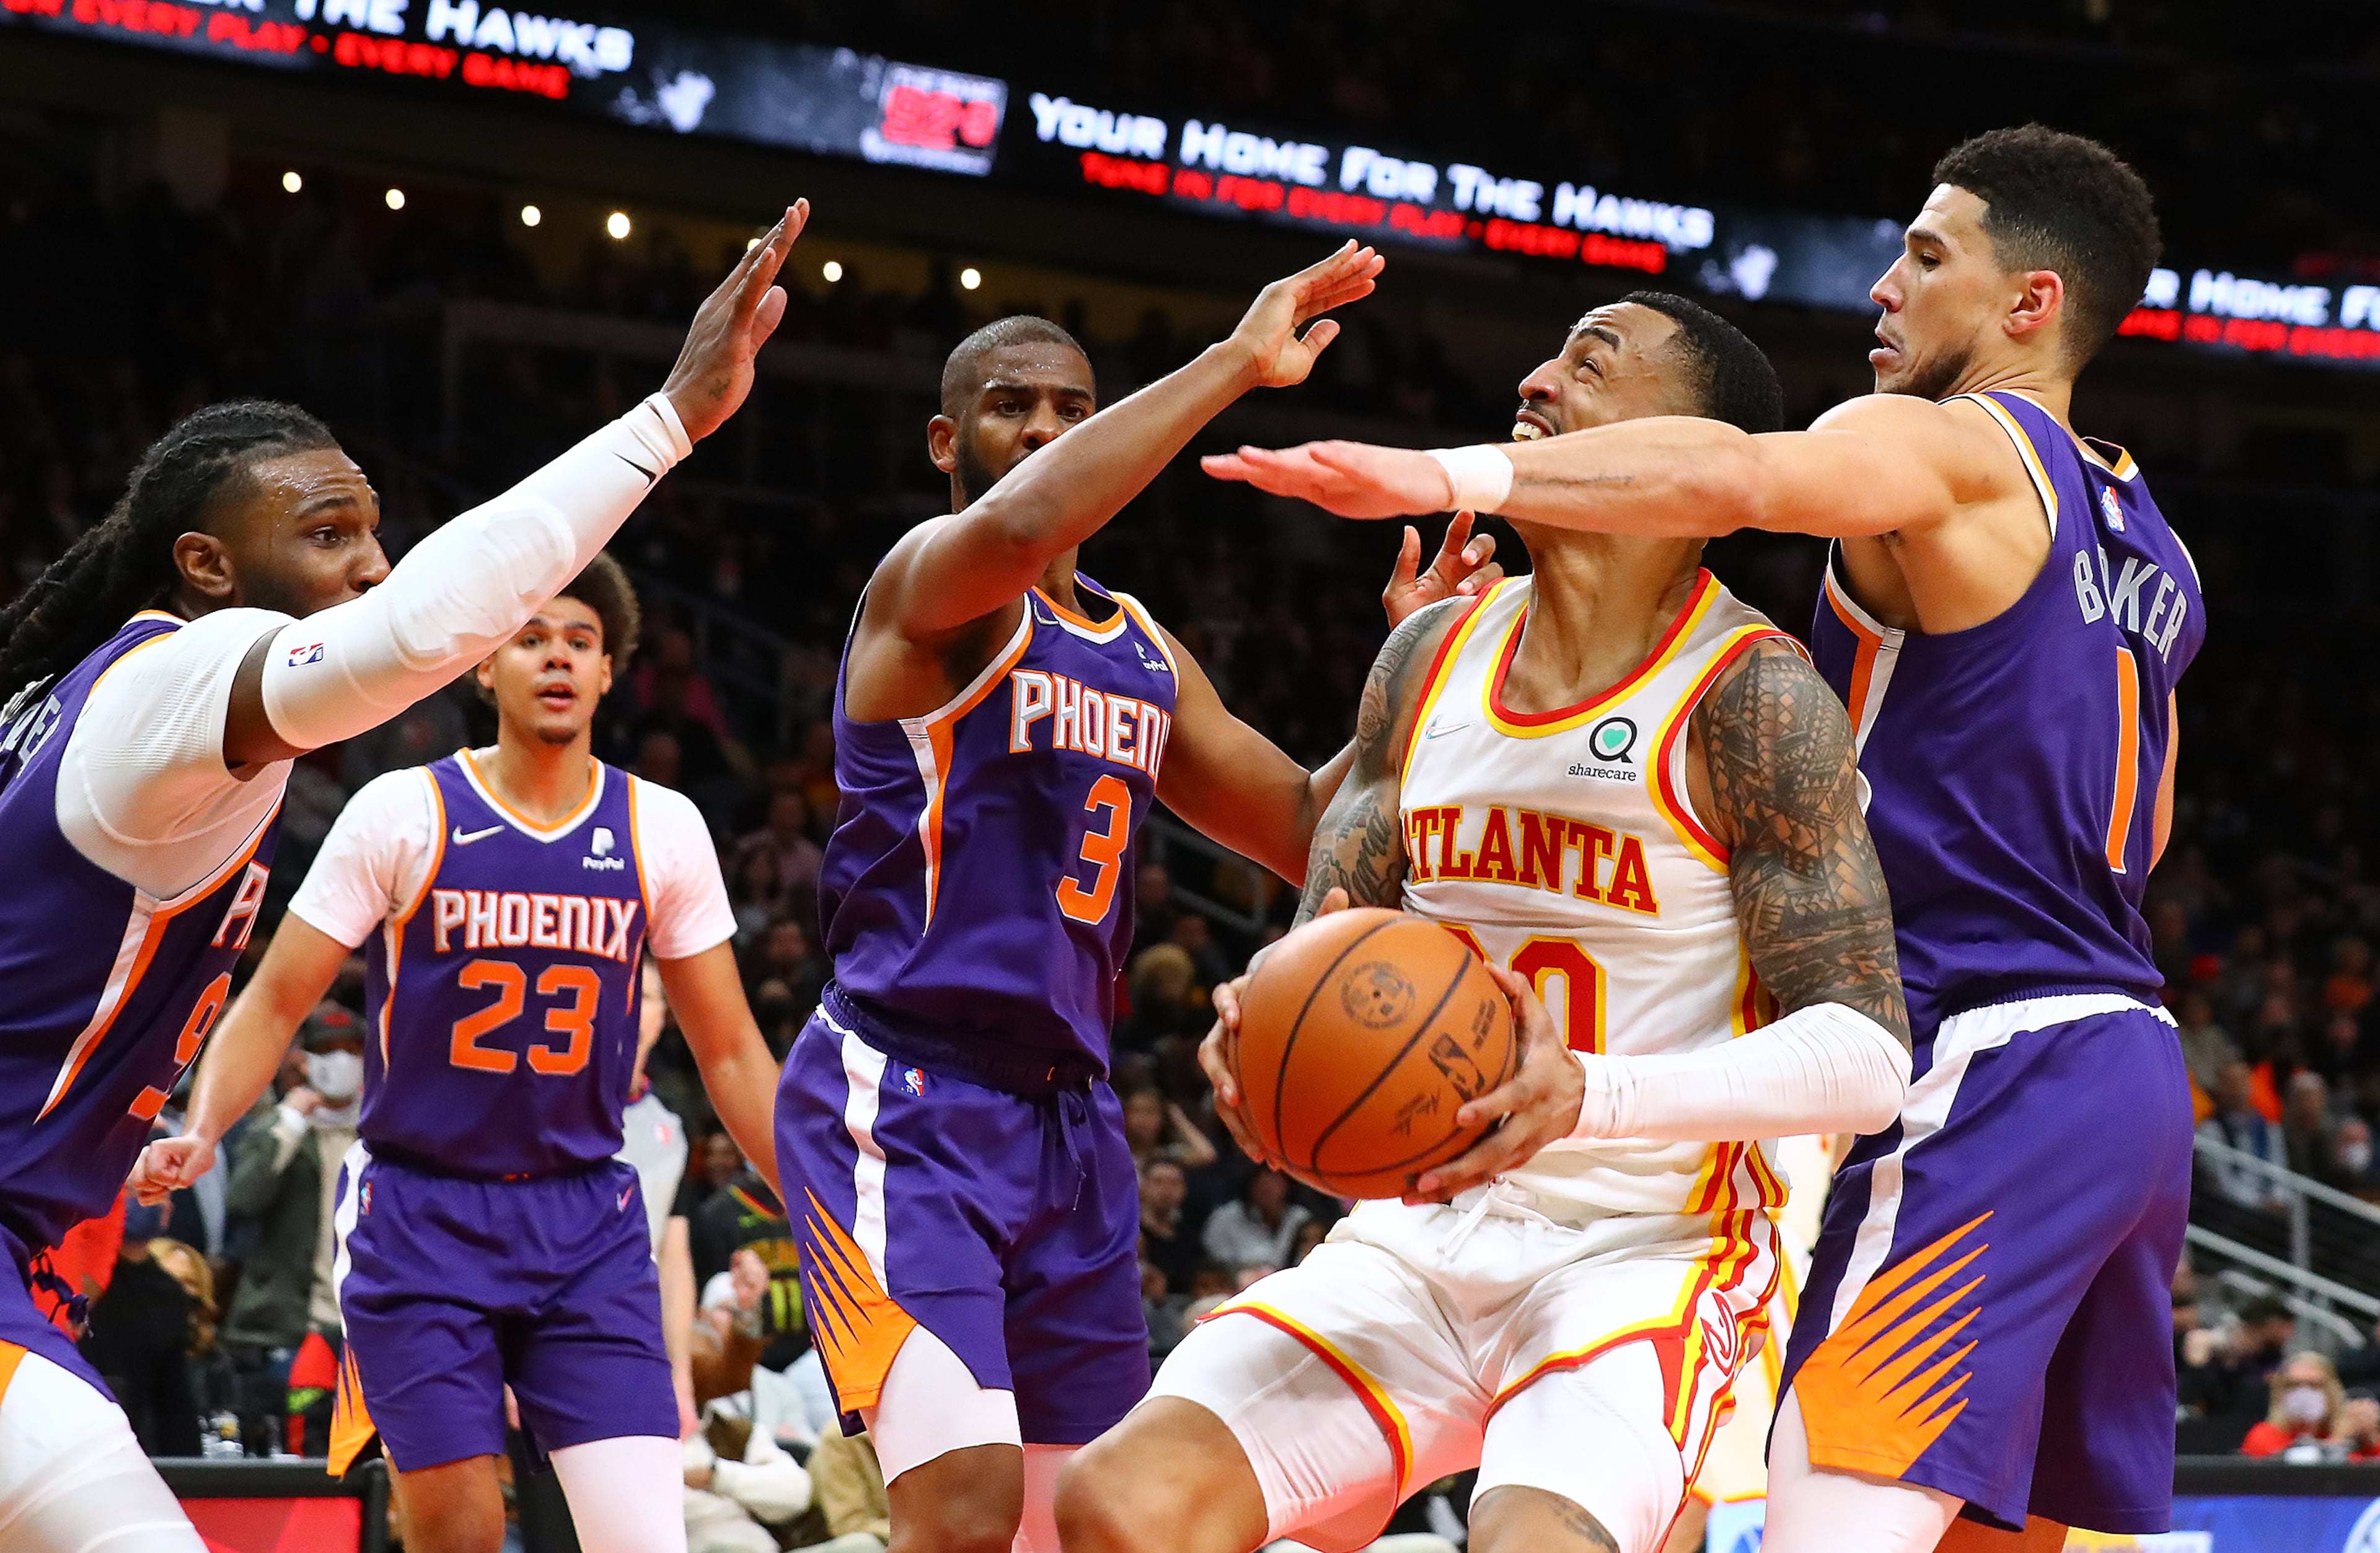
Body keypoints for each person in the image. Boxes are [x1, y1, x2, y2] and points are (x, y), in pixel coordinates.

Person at [1210, 126, 2200, 1551]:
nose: (1882, 287)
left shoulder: (1956, 445)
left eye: (1926, 257)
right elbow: (2142, 825)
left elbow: (1734, 476)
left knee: (1817, 1525)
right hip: (2125, 1063)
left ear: (2026, 306)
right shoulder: (2147, 541)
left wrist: (1446, 474)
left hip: (1971, 1057)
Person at [0, 201, 800, 1553]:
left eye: (374, 531)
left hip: (67, 1261)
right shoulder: (172, 682)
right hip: (409, 1223)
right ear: (208, 564)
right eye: (327, 535)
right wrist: (671, 415)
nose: (369, 564)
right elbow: (420, 628)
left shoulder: (83, 708)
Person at [1059, 295, 1910, 1553]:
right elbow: (1330, 936)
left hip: (1656, 1243)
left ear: (1687, 445)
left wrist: (1591, 1096)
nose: (1536, 375)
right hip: (1425, 1224)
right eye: (1552, 345)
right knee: (1117, 1505)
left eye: (1591, 361)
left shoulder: (1755, 694)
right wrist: (1261, 1025)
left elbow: (1868, 1057)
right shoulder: (1426, 658)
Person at [777, 244, 1502, 1553]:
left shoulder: (1139, 644)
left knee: (1087, 1522)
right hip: (905, 1098)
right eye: (1014, 404)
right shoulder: (927, 585)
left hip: (1074, 1124)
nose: (1047, 426)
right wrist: (1237, 361)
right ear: (947, 436)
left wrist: (1413, 659)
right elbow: (1018, 527)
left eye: (1069, 405)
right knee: (961, 1513)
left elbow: (1296, 822)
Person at [131, 555, 785, 1553]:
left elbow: (732, 1049)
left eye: (581, 641)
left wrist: (825, 1197)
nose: (557, 659)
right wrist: (205, 1124)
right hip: (422, 1213)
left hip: (585, 1219)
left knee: (645, 1539)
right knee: (460, 1537)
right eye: (532, 638)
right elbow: (274, 1000)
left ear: (612, 671)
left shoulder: (664, 826)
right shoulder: (403, 810)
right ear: (486, 665)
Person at [216, 1004, 366, 1456]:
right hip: (287, 1329)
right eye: (326, 1049)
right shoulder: (278, 1129)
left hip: (364, 1328)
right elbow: (243, 1198)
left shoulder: (382, 1135)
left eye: (350, 1050)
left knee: (363, 1465)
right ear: (303, 1059)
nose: (338, 1060)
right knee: (286, 1462)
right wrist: (294, 1118)